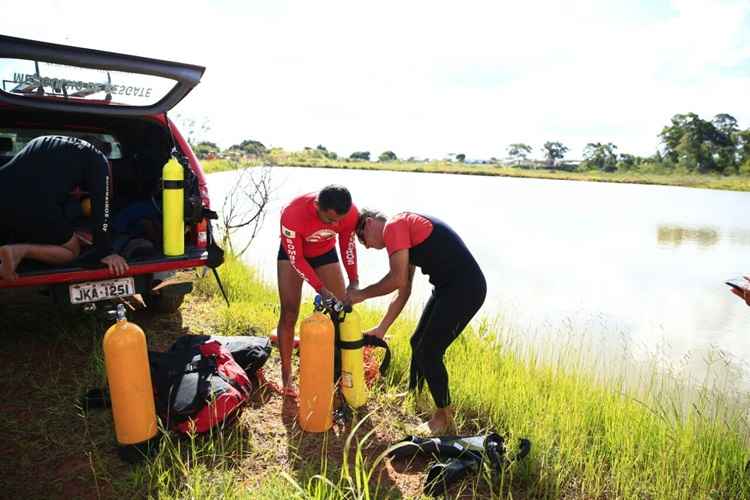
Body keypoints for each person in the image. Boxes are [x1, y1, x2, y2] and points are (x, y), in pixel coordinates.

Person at [346, 209, 486, 435]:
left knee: (429, 351)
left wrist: (361, 294)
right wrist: (382, 328)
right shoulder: (402, 234)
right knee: (417, 342)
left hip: (465, 288)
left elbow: (396, 279)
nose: (367, 247)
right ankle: (415, 396)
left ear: (369, 223)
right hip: (447, 288)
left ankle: (444, 418)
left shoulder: (394, 226)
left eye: (362, 240)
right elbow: (404, 289)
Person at [0, 135, 128, 281]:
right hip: (35, 205)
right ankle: (18, 251)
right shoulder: (97, 158)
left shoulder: (42, 141)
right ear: (105, 154)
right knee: (71, 251)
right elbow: (101, 208)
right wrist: (105, 251)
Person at [276, 185, 359, 397]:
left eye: (339, 220)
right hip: (293, 255)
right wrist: (321, 289)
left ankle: (339, 372)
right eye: (329, 220)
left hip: (325, 252)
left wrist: (354, 280)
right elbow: (297, 259)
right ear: (316, 206)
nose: (335, 224)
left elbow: (347, 244)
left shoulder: (350, 214)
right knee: (289, 312)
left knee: (340, 311)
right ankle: (286, 375)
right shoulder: (292, 213)